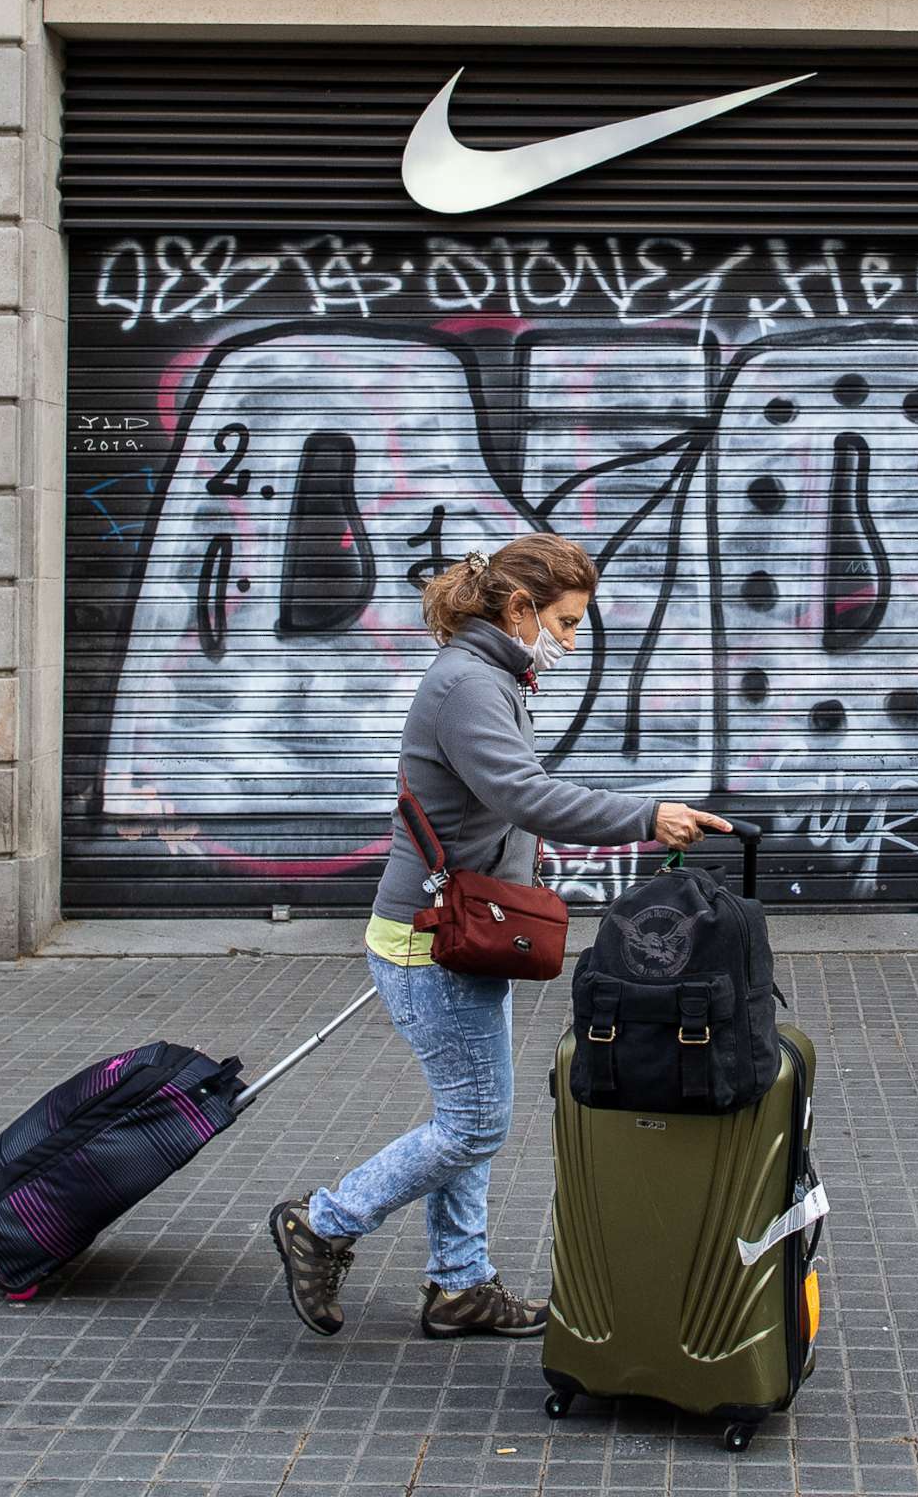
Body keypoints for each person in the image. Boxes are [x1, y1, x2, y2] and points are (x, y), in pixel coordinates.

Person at [267, 532, 730, 1339]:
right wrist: (646, 815)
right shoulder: (469, 687)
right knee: (475, 1123)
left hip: (464, 932)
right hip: (431, 942)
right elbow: (525, 794)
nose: (573, 641)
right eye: (568, 622)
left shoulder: (489, 675)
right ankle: (325, 1222)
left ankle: (459, 1284)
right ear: (520, 608)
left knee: (466, 1113)